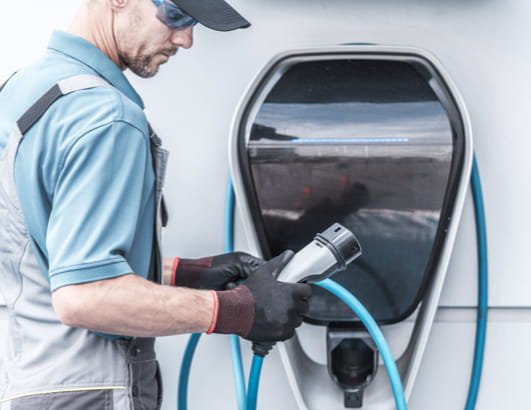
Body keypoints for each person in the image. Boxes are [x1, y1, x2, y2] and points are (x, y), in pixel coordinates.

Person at [0, 1, 312, 409]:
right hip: (90, 392)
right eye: (177, 16)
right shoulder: (106, 116)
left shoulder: (24, 90)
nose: (186, 39)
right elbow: (85, 295)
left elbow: (45, 257)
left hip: (29, 382)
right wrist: (236, 310)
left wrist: (187, 273)